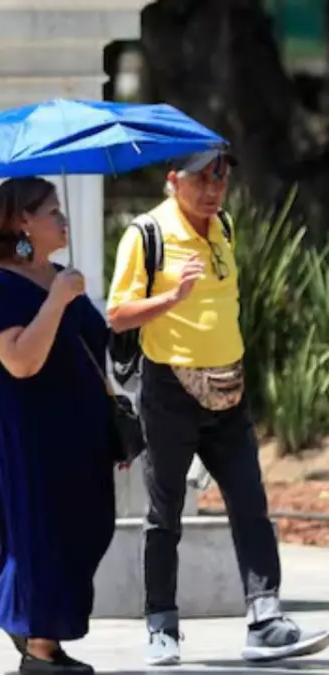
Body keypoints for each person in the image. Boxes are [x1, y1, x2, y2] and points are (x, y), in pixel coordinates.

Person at [107, 150, 329, 667]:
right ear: (172, 181)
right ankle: (161, 625)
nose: (213, 190)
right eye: (201, 179)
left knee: (250, 502)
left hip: (229, 390)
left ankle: (265, 621)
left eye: (221, 178)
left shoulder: (223, 225)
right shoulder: (146, 235)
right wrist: (171, 297)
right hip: (169, 392)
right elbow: (117, 316)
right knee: (165, 514)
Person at [0, 177, 116, 674]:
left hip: (80, 428)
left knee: (88, 528)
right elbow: (20, 362)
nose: (63, 219)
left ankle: (42, 633)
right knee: (40, 532)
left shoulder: (62, 277)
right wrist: (56, 298)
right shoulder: (1, 287)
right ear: (22, 222)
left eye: (60, 209)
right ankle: (39, 646)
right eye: (51, 211)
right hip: (28, 430)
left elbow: (101, 348)